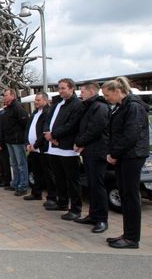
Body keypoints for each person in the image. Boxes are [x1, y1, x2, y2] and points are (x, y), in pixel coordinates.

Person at [102, 77, 149, 249]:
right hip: (125, 155)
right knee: (126, 196)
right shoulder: (123, 106)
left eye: (108, 95)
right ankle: (127, 234)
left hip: (132, 156)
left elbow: (131, 135)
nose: (107, 99)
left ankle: (132, 237)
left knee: (130, 196)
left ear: (117, 91)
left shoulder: (133, 106)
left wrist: (114, 153)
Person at [43, 78, 84, 220]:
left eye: (63, 88)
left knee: (72, 180)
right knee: (59, 178)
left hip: (67, 148)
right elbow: (47, 120)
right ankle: (62, 202)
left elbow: (72, 125)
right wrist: (48, 134)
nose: (60, 91)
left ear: (72, 88)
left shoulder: (77, 105)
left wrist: (53, 135)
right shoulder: (57, 104)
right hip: (53, 147)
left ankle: (76, 209)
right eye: (59, 88)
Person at [73, 82, 110, 233]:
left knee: (98, 186)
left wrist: (80, 142)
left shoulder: (100, 107)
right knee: (92, 185)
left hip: (97, 151)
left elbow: (95, 129)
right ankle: (93, 215)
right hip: (89, 151)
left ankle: (102, 219)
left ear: (91, 91)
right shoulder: (88, 106)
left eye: (82, 91)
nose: (80, 94)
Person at [24, 92, 52, 202]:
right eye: (35, 100)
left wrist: (35, 145)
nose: (36, 102)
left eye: (38, 100)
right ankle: (36, 193)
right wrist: (27, 143)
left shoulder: (48, 113)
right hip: (33, 149)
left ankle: (52, 197)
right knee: (36, 173)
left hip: (43, 148)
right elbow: (28, 129)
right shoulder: (35, 113)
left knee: (48, 174)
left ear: (45, 100)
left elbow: (44, 132)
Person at [2, 88, 30, 196]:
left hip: (17, 140)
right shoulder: (8, 108)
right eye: (4, 95)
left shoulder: (18, 108)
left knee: (21, 164)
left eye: (6, 95)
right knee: (14, 163)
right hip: (10, 140)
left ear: (13, 96)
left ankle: (23, 186)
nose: (4, 97)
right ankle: (15, 183)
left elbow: (25, 122)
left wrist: (20, 135)